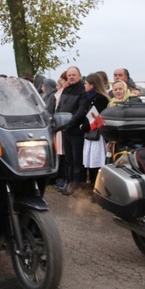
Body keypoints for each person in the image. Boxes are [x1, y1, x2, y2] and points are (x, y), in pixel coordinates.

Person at [55, 66, 89, 196]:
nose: (71, 77)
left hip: (76, 130)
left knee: (77, 160)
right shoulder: (65, 90)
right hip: (65, 130)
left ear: (79, 76)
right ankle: (68, 182)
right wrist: (59, 121)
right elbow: (60, 107)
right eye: (69, 75)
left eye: (73, 75)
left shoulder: (82, 91)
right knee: (68, 159)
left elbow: (81, 110)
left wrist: (69, 123)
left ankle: (77, 185)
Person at [81, 74, 109, 188]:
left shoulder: (100, 99)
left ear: (92, 85)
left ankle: (97, 186)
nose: (84, 86)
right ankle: (92, 184)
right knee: (90, 160)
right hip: (90, 134)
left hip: (96, 134)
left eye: (86, 84)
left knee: (96, 160)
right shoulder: (89, 97)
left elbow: (96, 118)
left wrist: (85, 127)